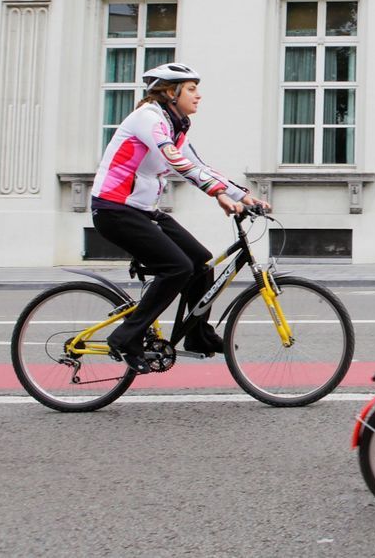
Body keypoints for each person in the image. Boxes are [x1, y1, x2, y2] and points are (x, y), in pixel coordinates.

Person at [91, 62, 269, 373]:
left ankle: (197, 335)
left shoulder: (176, 125)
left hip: (141, 209)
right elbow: (177, 162)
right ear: (170, 94)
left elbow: (197, 164)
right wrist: (218, 194)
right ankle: (126, 337)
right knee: (177, 268)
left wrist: (241, 195)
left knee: (200, 261)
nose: (198, 96)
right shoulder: (148, 119)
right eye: (191, 89)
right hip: (114, 208)